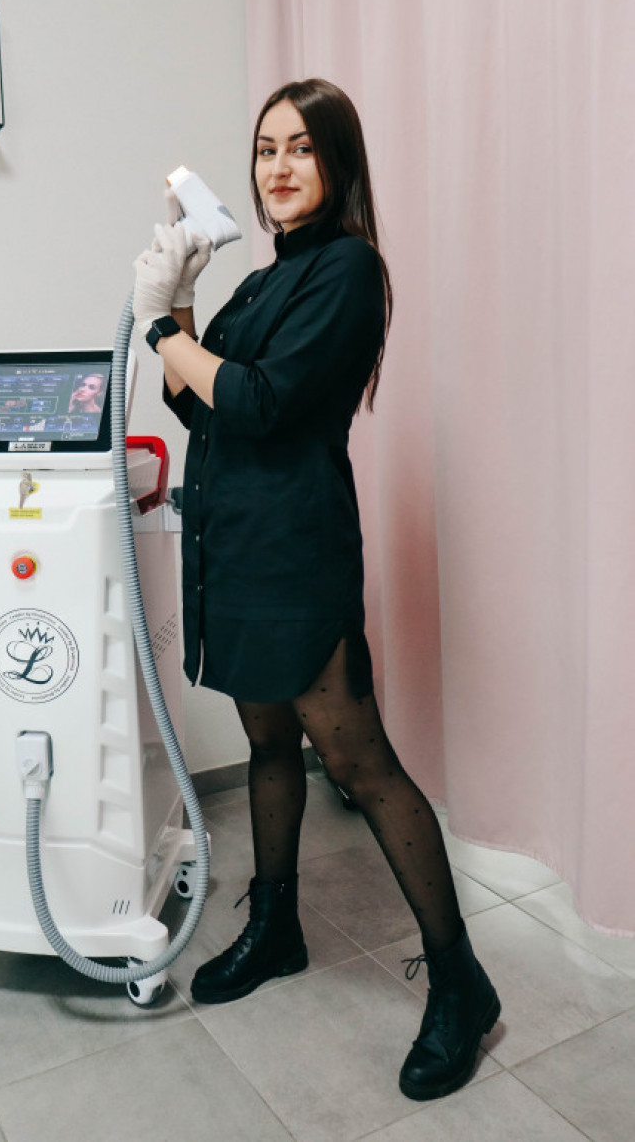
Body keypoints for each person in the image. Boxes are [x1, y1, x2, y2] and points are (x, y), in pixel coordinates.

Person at [133, 78, 500, 1102]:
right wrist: (183, 302)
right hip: (236, 550)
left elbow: (257, 402)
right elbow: (199, 408)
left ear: (336, 162)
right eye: (265, 149)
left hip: (295, 556)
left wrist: (158, 328)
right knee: (266, 745)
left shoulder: (346, 270)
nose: (278, 167)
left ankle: (461, 983)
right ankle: (278, 925)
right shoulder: (263, 282)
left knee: (360, 761)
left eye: (299, 147)